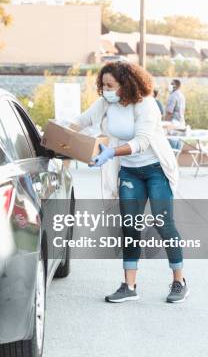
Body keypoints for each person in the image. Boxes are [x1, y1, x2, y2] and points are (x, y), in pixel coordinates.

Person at [71, 61, 188, 303]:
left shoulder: (146, 105)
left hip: (155, 170)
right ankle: (129, 286)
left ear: (126, 84)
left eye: (110, 85)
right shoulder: (105, 103)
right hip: (129, 172)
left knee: (164, 224)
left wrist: (111, 153)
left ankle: (179, 281)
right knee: (130, 227)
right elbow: (81, 121)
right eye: (103, 85)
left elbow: (143, 142)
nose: (105, 90)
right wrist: (57, 135)